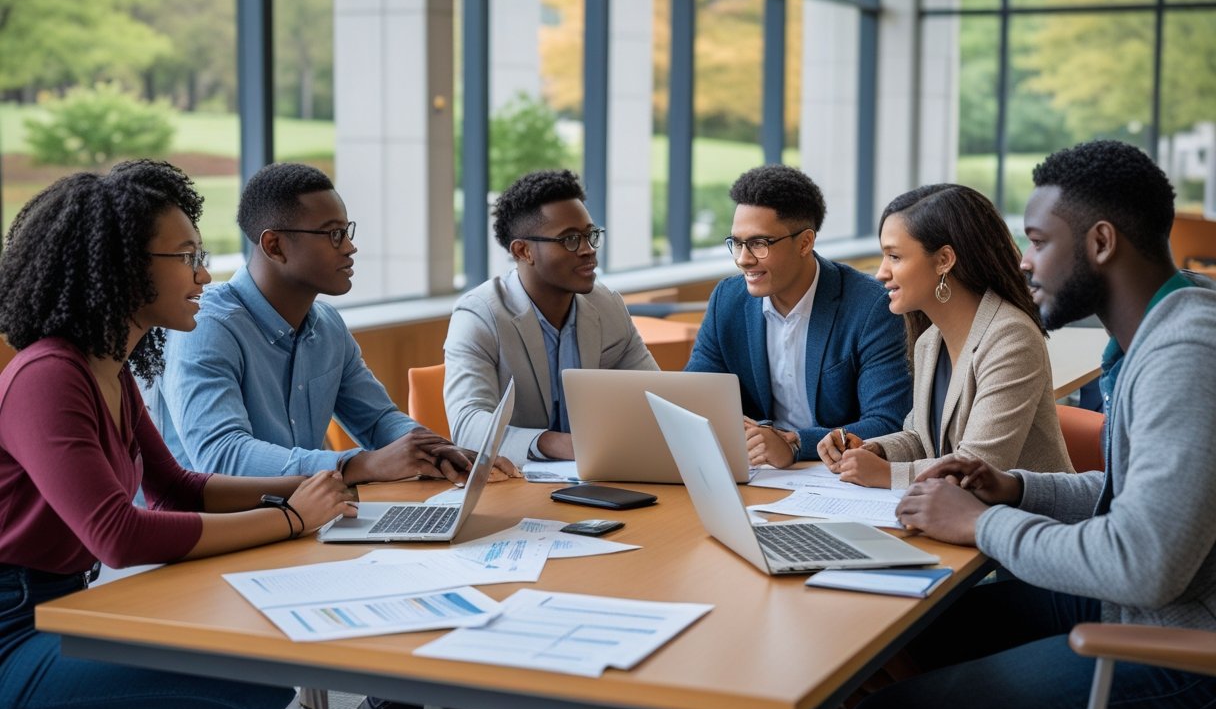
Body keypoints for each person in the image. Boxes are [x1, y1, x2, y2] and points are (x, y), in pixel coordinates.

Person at [858, 141, 1216, 709]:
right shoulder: (1154, 334)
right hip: (1142, 605)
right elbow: (1131, 500)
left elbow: (1142, 562)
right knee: (900, 630)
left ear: (1100, 242)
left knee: (890, 706)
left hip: (1183, 644)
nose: (1024, 259)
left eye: (1040, 240)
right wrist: (1017, 487)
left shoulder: (1185, 354)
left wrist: (984, 523)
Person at [0, 161, 355, 709]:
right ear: (121, 267)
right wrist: (291, 518)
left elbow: (177, 488)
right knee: (250, 675)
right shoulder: (47, 377)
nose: (204, 277)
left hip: (68, 604)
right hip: (15, 634)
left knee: (264, 662)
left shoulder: (110, 370)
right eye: (187, 258)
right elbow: (116, 536)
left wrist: (313, 485)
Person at [146, 162, 511, 486]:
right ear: (274, 246)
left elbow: (378, 421)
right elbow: (222, 457)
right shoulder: (207, 327)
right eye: (333, 234)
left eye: (347, 231)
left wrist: (442, 453)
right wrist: (356, 464)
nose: (350, 248)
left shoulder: (328, 326)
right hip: (211, 539)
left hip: (297, 522)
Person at [816, 184, 1073, 488]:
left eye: (894, 256)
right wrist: (876, 450)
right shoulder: (930, 341)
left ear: (943, 260)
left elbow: (980, 467)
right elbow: (921, 438)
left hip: (1026, 525)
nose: (881, 273)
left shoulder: (1011, 339)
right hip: (956, 516)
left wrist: (886, 474)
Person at [684, 165, 911, 468]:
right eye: (737, 243)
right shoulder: (728, 300)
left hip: (836, 474)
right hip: (757, 472)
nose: (743, 259)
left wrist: (794, 443)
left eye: (759, 244)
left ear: (805, 242)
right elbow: (695, 398)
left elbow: (888, 421)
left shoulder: (871, 307)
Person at [444, 169, 658, 466]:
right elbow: (467, 427)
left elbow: (657, 399)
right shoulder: (479, 315)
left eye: (590, 235)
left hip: (598, 477)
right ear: (524, 251)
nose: (588, 250)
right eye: (570, 239)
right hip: (517, 487)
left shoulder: (606, 305)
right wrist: (556, 444)